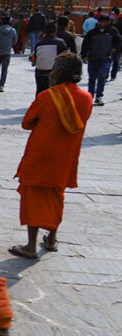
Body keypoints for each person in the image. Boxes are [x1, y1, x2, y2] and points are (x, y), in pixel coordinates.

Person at [9, 53, 92, 260]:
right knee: (57, 196)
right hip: (66, 158)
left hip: (40, 156)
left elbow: (27, 122)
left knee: (33, 198)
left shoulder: (47, 96)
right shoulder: (87, 98)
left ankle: (30, 246)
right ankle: (52, 239)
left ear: (58, 72)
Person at [79, 14, 121, 106]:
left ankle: (99, 96)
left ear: (107, 23)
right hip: (93, 58)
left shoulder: (112, 31)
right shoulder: (92, 33)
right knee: (92, 79)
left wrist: (115, 49)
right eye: (100, 22)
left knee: (102, 77)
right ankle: (90, 97)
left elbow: (118, 41)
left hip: (105, 58)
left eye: (103, 22)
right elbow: (85, 44)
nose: (101, 23)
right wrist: (84, 55)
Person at [33, 28, 68, 96]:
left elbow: (36, 58)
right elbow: (65, 58)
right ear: (55, 32)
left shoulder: (39, 43)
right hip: (54, 72)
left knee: (40, 91)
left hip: (40, 71)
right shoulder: (60, 42)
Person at [0, 16, 18, 92]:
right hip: (7, 52)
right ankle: (2, 85)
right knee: (4, 70)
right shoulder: (13, 31)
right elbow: (15, 41)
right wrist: (10, 44)